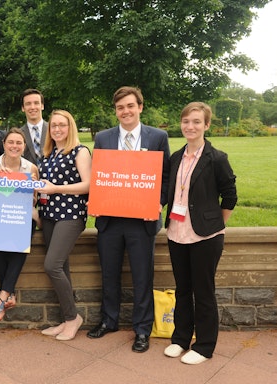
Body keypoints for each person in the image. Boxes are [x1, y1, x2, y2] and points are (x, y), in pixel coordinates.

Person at [87, 86, 171, 353]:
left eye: (130, 106)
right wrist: (96, 198)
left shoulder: (157, 137)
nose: (126, 111)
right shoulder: (103, 138)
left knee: (142, 276)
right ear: (116, 111)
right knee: (109, 273)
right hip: (110, 220)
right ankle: (109, 320)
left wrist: (158, 203)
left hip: (142, 220)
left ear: (140, 107)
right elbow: (98, 176)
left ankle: (142, 329)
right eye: (121, 107)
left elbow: (166, 177)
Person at [163, 102, 237, 365]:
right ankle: (181, 339)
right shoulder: (175, 158)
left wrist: (214, 223)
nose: (190, 126)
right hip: (176, 233)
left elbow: (229, 196)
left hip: (206, 236)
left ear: (206, 125)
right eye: (186, 121)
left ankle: (204, 346)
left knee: (203, 291)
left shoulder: (217, 159)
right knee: (183, 289)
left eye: (196, 122)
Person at [36, 110, 91, 341]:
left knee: (52, 265)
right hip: (48, 214)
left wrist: (55, 189)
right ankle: (66, 318)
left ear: (71, 127)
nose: (57, 129)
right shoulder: (48, 153)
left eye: (62, 125)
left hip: (71, 215)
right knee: (62, 267)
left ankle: (72, 319)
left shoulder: (80, 151)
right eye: (54, 125)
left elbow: (88, 185)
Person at [0, 127, 39, 321]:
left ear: (24, 147)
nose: (14, 146)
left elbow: (33, 201)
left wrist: (31, 185)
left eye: (19, 143)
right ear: (4, 144)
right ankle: (9, 293)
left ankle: (3, 294)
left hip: (22, 216)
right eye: (11, 142)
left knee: (20, 242)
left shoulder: (31, 168)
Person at [20, 89, 49, 166]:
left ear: (42, 106)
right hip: (28, 176)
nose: (32, 107)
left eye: (36, 103)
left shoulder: (53, 130)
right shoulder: (19, 134)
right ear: (23, 108)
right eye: (28, 104)